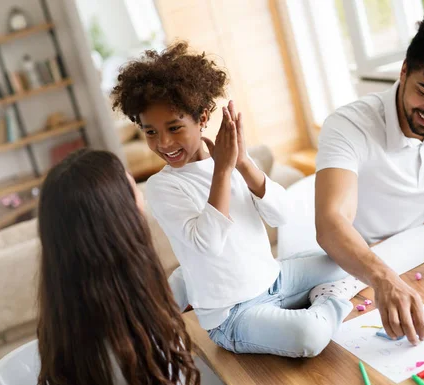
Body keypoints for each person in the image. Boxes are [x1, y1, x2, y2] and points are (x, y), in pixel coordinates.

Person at [111, 42, 358, 359]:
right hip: (232, 315)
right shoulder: (163, 187)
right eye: (151, 132)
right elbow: (208, 242)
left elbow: (283, 215)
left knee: (348, 255)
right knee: (308, 337)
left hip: (276, 278)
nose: (164, 143)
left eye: (174, 128)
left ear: (202, 118)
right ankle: (328, 301)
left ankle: (313, 299)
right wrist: (224, 170)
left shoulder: (229, 160)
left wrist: (243, 164)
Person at [315, 4, 424, 345]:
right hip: (360, 261)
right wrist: (383, 278)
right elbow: (330, 223)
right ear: (403, 71)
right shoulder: (349, 125)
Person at [36, 149, 200, 385]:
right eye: (134, 189)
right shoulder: (133, 354)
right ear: (121, 219)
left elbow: (145, 308)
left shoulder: (72, 323)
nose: (141, 200)